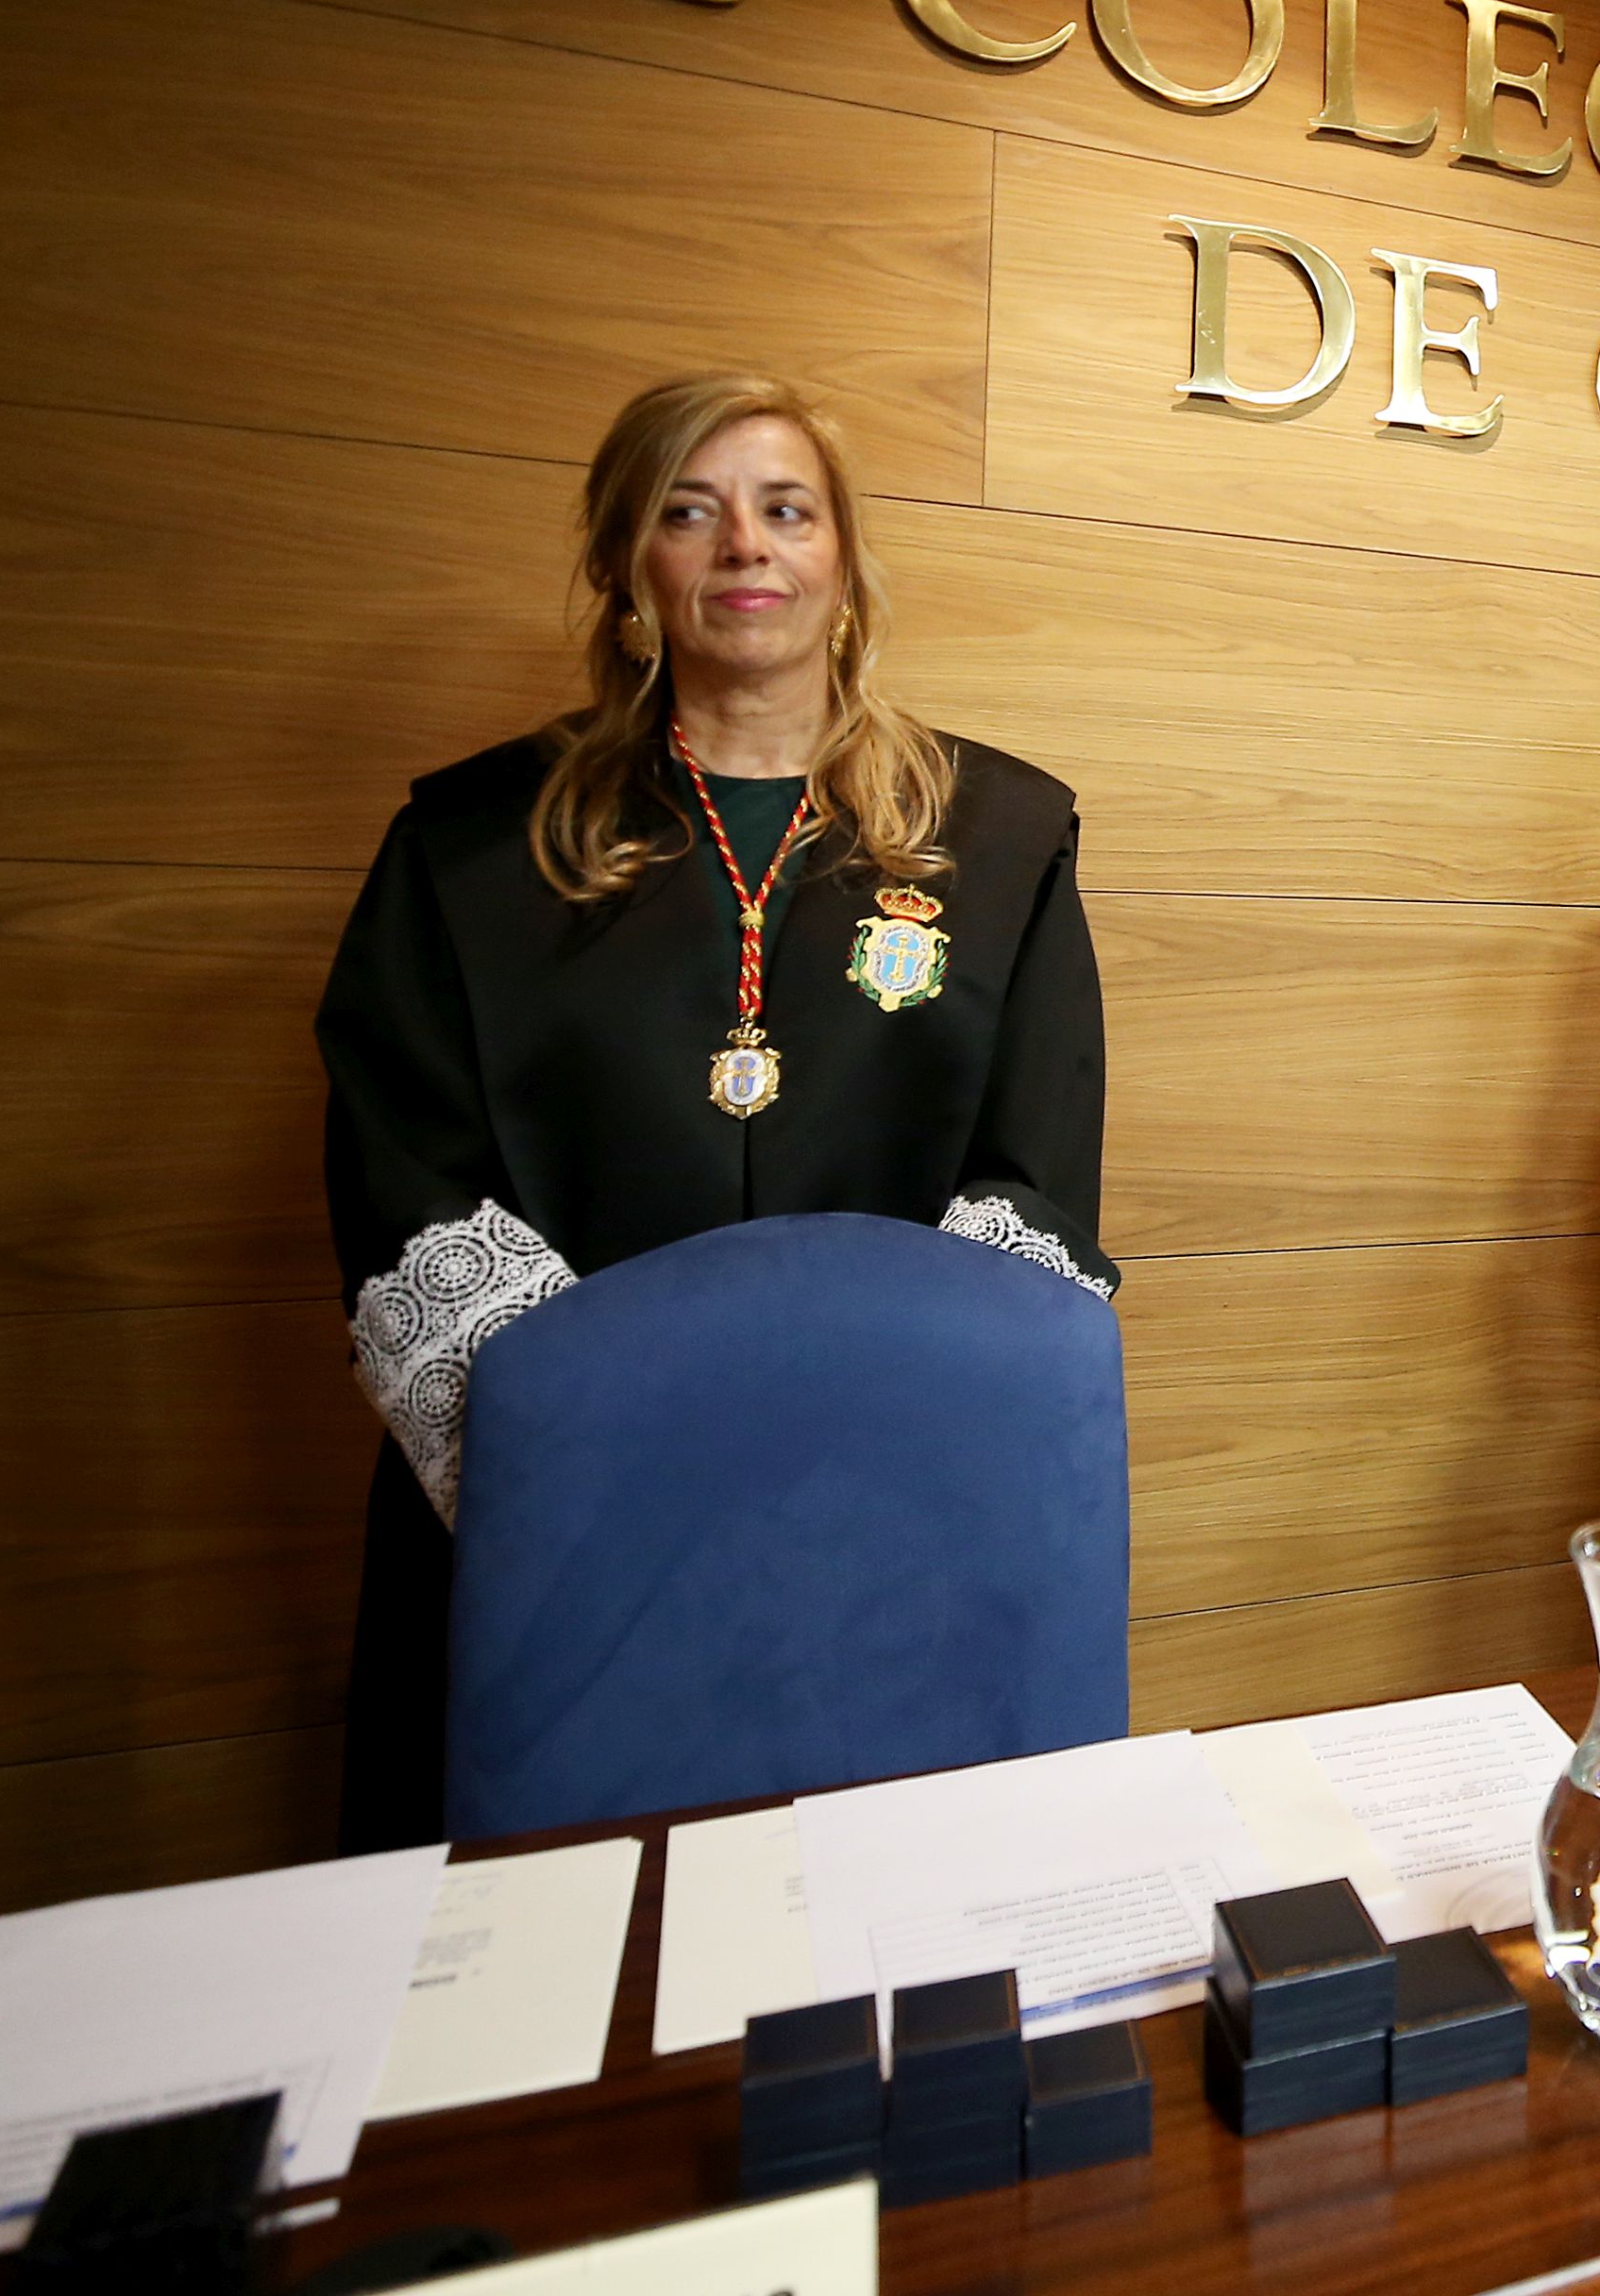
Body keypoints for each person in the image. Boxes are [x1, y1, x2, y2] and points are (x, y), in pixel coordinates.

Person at [316, 370, 1113, 1848]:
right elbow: (400, 1168)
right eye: (691, 512)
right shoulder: (471, 845)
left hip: (883, 1529)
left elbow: (1033, 1182)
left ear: (842, 563)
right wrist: (602, 1462)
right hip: (561, 1538)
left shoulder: (1003, 840)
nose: (744, 545)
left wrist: (872, 1456)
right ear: (632, 568)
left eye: (784, 510)